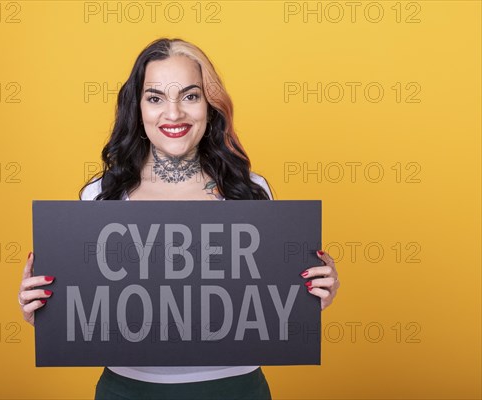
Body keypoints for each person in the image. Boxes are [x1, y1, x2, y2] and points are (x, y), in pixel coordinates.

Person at [18, 37, 340, 400]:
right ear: (137, 108)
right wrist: (46, 312)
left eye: (190, 96)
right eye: (155, 98)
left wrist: (311, 295)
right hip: (128, 390)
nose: (173, 114)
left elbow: (272, 302)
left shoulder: (249, 190)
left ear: (210, 105)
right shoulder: (99, 195)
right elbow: (82, 309)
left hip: (237, 389)